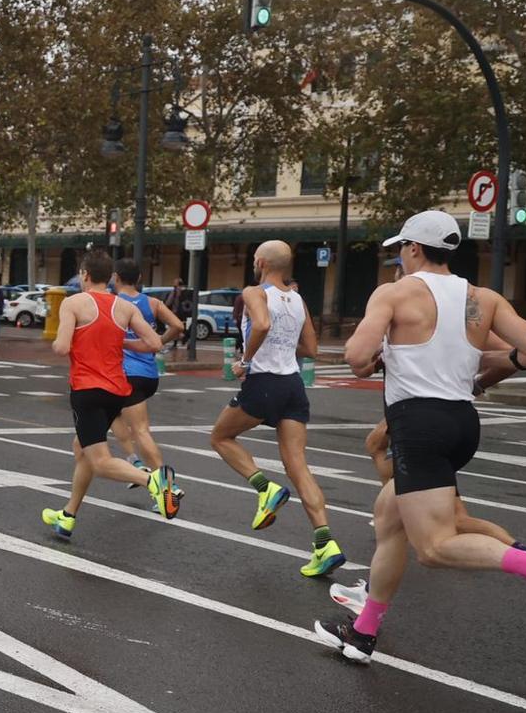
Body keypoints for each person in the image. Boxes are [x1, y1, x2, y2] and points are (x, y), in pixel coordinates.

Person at [315, 210, 526, 663]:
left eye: (401, 251)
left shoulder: (393, 293)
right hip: (462, 424)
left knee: (433, 547)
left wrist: (380, 355)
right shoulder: (481, 297)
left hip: (418, 425)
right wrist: (481, 366)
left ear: (413, 248)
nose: (400, 259)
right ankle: (363, 632)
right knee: (389, 519)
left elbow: (355, 355)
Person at [206, 241, 343, 577]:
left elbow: (263, 325)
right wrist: (284, 335)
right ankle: (325, 542)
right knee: (297, 464)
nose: (254, 264)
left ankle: (265, 488)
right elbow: (310, 347)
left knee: (221, 437)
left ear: (263, 262)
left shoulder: (254, 292)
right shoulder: (298, 299)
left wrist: (244, 361)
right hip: (293, 385)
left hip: (264, 381)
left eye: (255, 259)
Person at [42, 249, 175, 542]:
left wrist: (68, 336)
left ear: (85, 275)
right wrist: (120, 341)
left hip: (87, 390)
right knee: (82, 450)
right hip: (117, 391)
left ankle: (154, 481)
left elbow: (62, 347)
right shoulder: (124, 307)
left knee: (100, 461)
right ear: (109, 277)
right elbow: (154, 342)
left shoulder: (73, 303)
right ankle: (67, 516)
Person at [105, 260, 185, 502]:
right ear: (139, 278)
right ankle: (135, 462)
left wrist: (126, 343)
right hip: (149, 374)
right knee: (111, 414)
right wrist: (157, 341)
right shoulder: (152, 303)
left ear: (116, 277)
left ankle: (168, 487)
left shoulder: (113, 303)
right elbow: (178, 325)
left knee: (140, 430)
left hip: (127, 373)